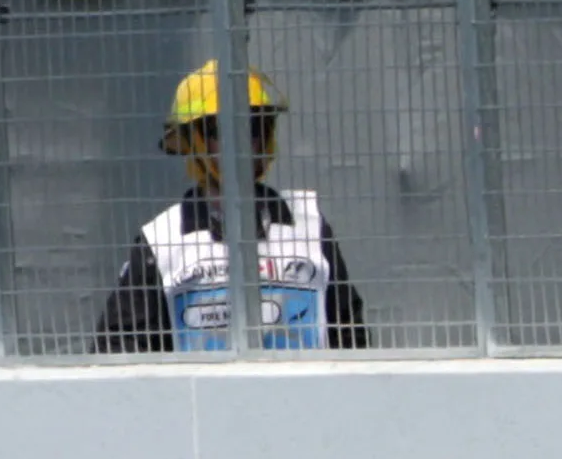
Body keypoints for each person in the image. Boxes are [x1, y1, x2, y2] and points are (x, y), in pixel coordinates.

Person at [93, 63, 369, 353]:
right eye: (220, 129)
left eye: (252, 126)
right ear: (192, 139)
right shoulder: (162, 241)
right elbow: (118, 349)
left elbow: (349, 332)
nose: (239, 142)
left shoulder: (308, 225)